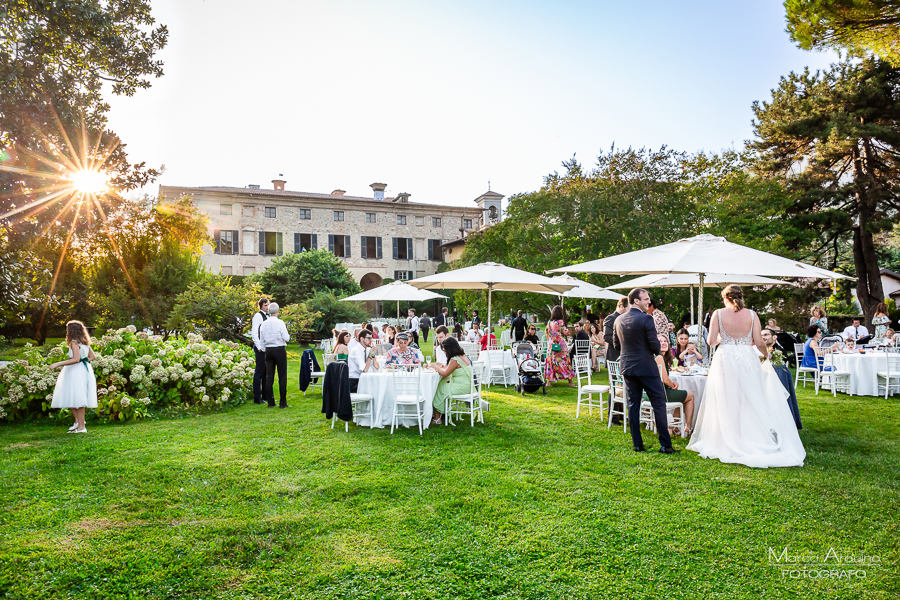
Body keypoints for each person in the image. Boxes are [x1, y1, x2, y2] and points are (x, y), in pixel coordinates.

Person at [687, 285, 806, 467]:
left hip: (725, 358)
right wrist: (767, 355)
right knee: (750, 396)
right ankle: (752, 435)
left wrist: (723, 339)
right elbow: (759, 342)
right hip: (747, 358)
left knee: (726, 397)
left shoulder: (718, 314)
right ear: (741, 296)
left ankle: (727, 436)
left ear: (725, 297)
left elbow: (711, 341)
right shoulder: (752, 315)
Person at [613, 288, 674, 453]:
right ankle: (665, 445)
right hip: (647, 368)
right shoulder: (647, 319)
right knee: (659, 404)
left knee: (633, 405)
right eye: (646, 299)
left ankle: (637, 445)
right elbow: (655, 347)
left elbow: (617, 346)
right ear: (635, 301)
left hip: (628, 368)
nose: (649, 301)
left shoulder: (618, 320)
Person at [50, 320, 98, 434]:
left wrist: (58, 363)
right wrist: (84, 361)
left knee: (78, 397)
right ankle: (78, 422)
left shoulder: (74, 343)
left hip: (76, 371)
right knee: (71, 395)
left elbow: (75, 359)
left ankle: (81, 426)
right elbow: (92, 356)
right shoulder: (84, 342)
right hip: (82, 370)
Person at [427, 336, 473, 425]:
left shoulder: (454, 360)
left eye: (444, 350)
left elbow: (445, 374)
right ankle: (438, 415)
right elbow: (453, 369)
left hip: (461, 387)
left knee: (439, 388)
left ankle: (437, 418)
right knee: (441, 385)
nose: (444, 353)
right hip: (467, 386)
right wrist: (442, 365)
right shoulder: (462, 356)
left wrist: (435, 366)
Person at [655, 334, 695, 435]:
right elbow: (665, 380)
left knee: (680, 394)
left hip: (652, 392)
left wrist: (671, 384)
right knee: (690, 396)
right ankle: (688, 427)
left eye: (665, 341)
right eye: (659, 341)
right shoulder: (658, 357)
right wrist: (672, 385)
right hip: (659, 394)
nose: (663, 343)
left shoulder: (655, 357)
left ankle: (674, 426)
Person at [259, 302, 290, 408]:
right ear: (277, 311)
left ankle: (270, 402)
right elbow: (286, 338)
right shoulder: (280, 323)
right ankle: (283, 402)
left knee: (269, 377)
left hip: (268, 350)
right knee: (282, 376)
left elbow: (261, 339)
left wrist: (264, 349)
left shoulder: (264, 323)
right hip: (279, 349)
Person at [545, 305, 576, 387]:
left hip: (551, 344)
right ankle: (570, 382)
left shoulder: (549, 322)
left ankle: (548, 382)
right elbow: (566, 332)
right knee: (565, 361)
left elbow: (548, 332)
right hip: (560, 344)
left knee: (551, 362)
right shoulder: (560, 322)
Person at [250, 297, 269, 404]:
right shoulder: (258, 316)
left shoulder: (268, 316)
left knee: (266, 372)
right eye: (265, 305)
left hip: (266, 348)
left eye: (268, 305)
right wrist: (259, 347)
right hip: (260, 348)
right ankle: (257, 397)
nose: (267, 307)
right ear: (260, 306)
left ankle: (265, 395)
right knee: (259, 372)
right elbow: (254, 333)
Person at [604, 297, 629, 366]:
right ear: (621, 307)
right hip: (614, 355)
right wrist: (622, 341)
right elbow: (607, 337)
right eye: (628, 308)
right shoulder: (611, 318)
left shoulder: (627, 318)